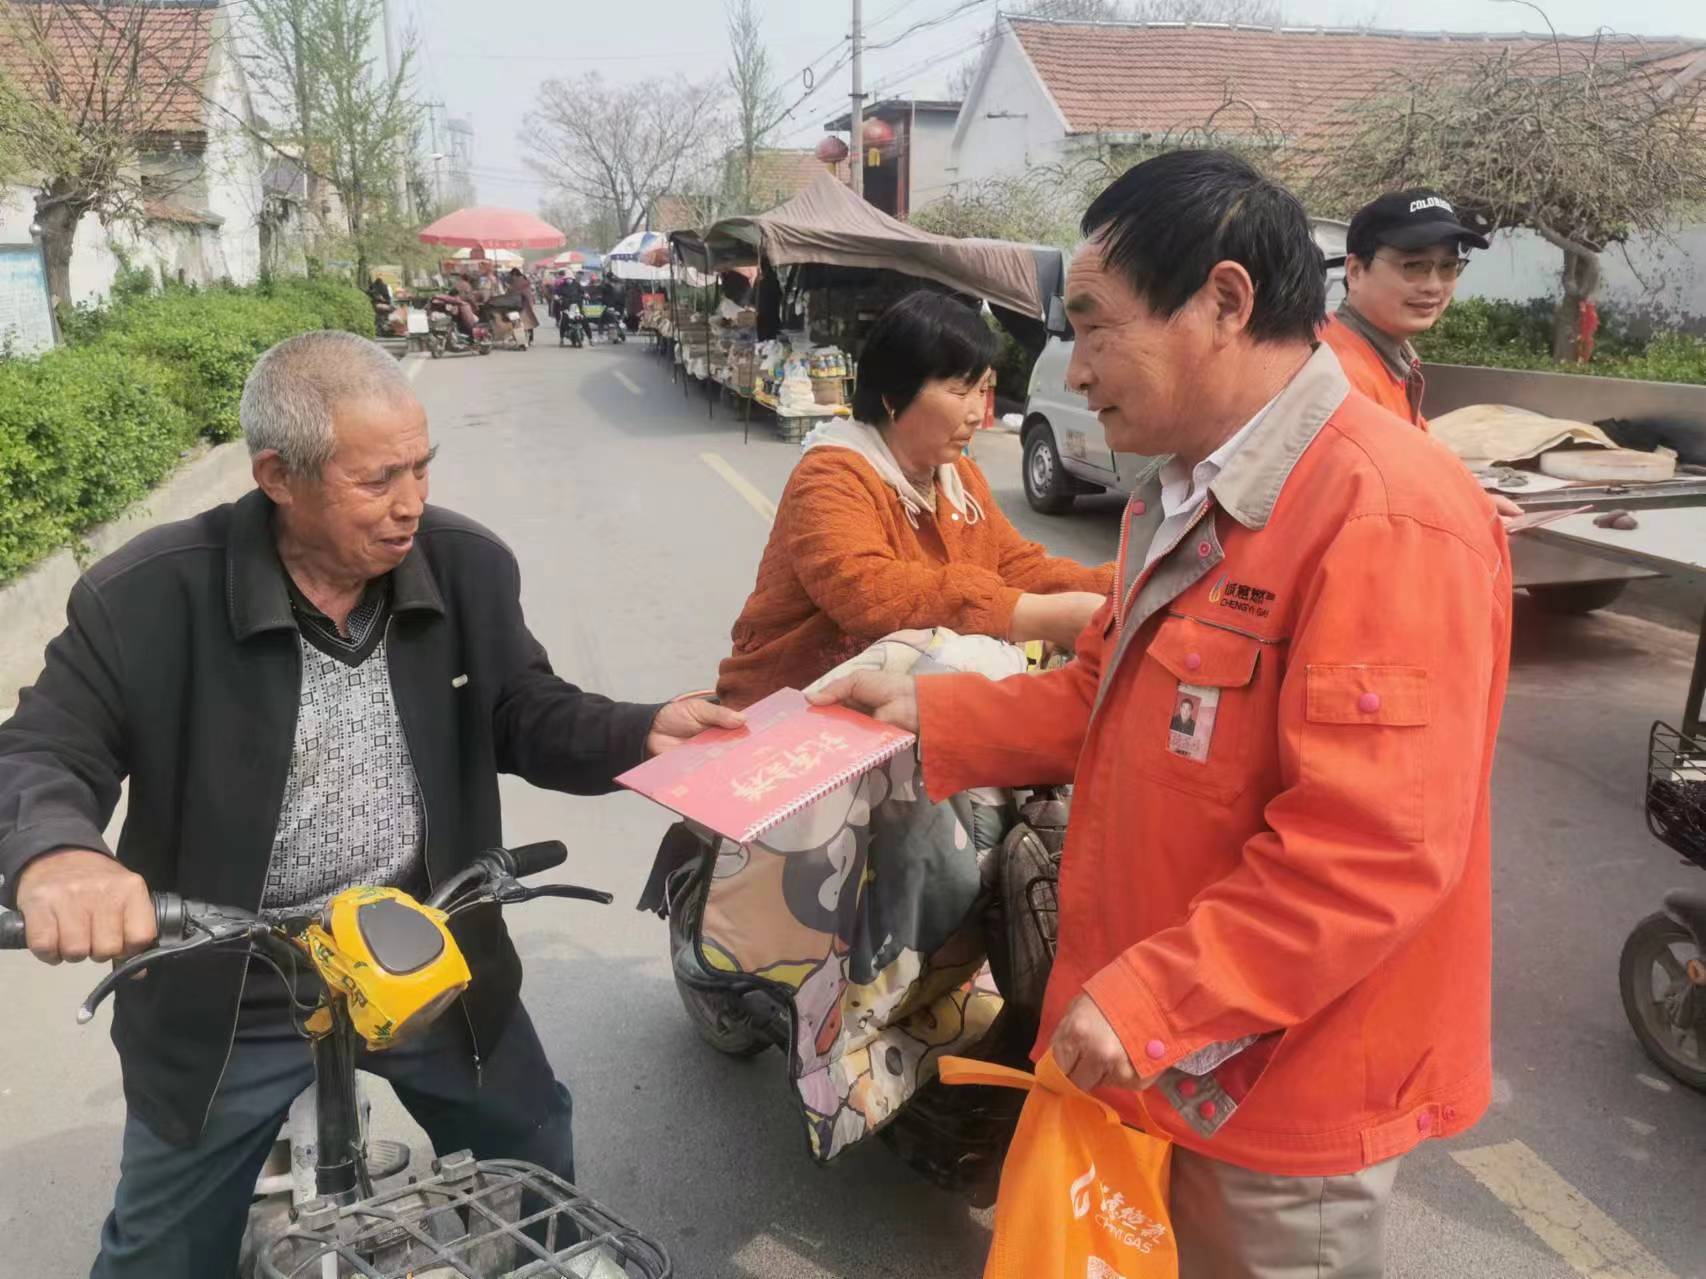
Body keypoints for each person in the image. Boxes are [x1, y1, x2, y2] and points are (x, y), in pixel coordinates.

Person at [812, 151, 1510, 1276]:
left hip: (1277, 1078)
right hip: (1165, 1045)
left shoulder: (1382, 512)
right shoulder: (1181, 494)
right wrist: (925, 710)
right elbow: (1104, 694)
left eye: (1094, 327)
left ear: (1224, 302)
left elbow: (1372, 846)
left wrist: (1153, 996)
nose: (1072, 372)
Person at [0, 331, 740, 1277]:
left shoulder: (467, 565)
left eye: (421, 468)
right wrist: (59, 853)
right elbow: (41, 748)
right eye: (377, 479)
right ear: (278, 474)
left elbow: (524, 709)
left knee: (534, 1138)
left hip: (418, 943)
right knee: (160, 1249)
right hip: (230, 974)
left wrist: (642, 730)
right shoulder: (145, 595)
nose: (411, 505)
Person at [716, 290, 1113, 710]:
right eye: (961, 392)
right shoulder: (830, 476)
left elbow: (1015, 564)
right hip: (789, 709)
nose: (978, 412)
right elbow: (867, 590)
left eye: (984, 390)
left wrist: (1121, 586)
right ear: (892, 396)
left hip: (886, 708)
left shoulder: (960, 477)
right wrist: (1044, 617)